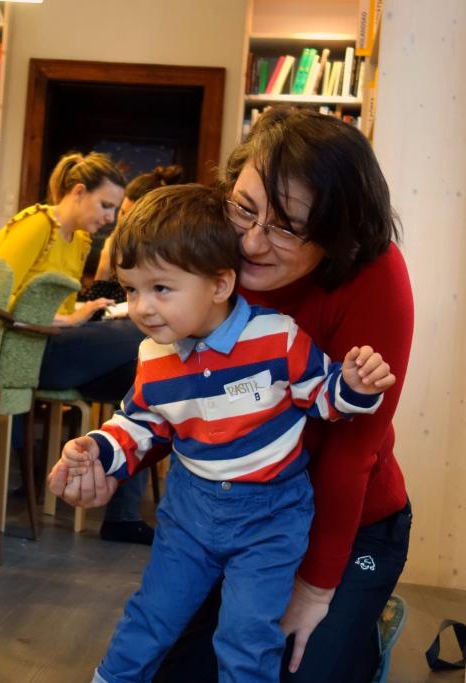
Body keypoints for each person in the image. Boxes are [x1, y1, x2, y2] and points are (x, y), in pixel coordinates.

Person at [50, 108, 414, 682]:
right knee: (172, 662)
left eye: (287, 227)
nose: (251, 242)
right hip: (216, 514)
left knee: (295, 663)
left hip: (339, 518)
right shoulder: (211, 250)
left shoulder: (372, 274)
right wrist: (105, 459)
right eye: (243, 208)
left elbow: (353, 447)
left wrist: (315, 585)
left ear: (335, 235)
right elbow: (173, 404)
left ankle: (366, 626)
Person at [0, 152, 151, 544]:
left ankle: (122, 517)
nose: (110, 217)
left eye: (115, 209)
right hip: (24, 351)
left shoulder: (78, 240)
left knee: (145, 379)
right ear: (78, 192)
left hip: (54, 345)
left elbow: (59, 308)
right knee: (143, 335)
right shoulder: (36, 225)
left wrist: (84, 312)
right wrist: (75, 320)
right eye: (105, 205)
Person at [77, 165, 185, 544]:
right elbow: (93, 298)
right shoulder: (110, 245)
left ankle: (123, 514)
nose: (118, 221)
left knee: (143, 376)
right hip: (97, 338)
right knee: (142, 370)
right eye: (117, 211)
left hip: (119, 347)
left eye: (125, 213)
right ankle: (122, 515)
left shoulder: (166, 254)